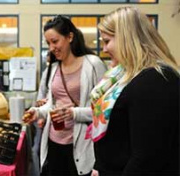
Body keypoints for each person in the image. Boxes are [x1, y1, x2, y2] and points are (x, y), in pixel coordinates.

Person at [86, 7, 179, 176]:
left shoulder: (155, 80)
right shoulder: (125, 75)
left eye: (107, 41)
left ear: (126, 39)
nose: (104, 49)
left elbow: (147, 158)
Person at [24, 15, 107, 176]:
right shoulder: (53, 69)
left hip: (81, 144)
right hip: (54, 141)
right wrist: (37, 112)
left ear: (69, 37)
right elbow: (52, 104)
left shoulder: (93, 64)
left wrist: (73, 113)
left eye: (55, 41)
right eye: (48, 43)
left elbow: (104, 110)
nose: (51, 48)